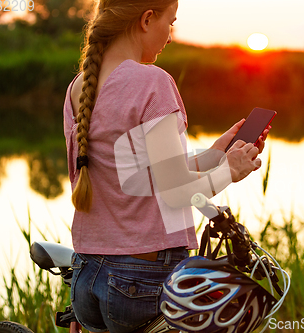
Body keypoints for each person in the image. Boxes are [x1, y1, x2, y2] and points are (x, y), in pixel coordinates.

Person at [63, 0, 270, 332]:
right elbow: (176, 193)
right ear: (147, 19)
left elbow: (142, 174)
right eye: (170, 22)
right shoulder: (151, 83)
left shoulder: (77, 88)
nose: (171, 36)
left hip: (86, 279)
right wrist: (229, 172)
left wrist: (217, 153)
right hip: (140, 282)